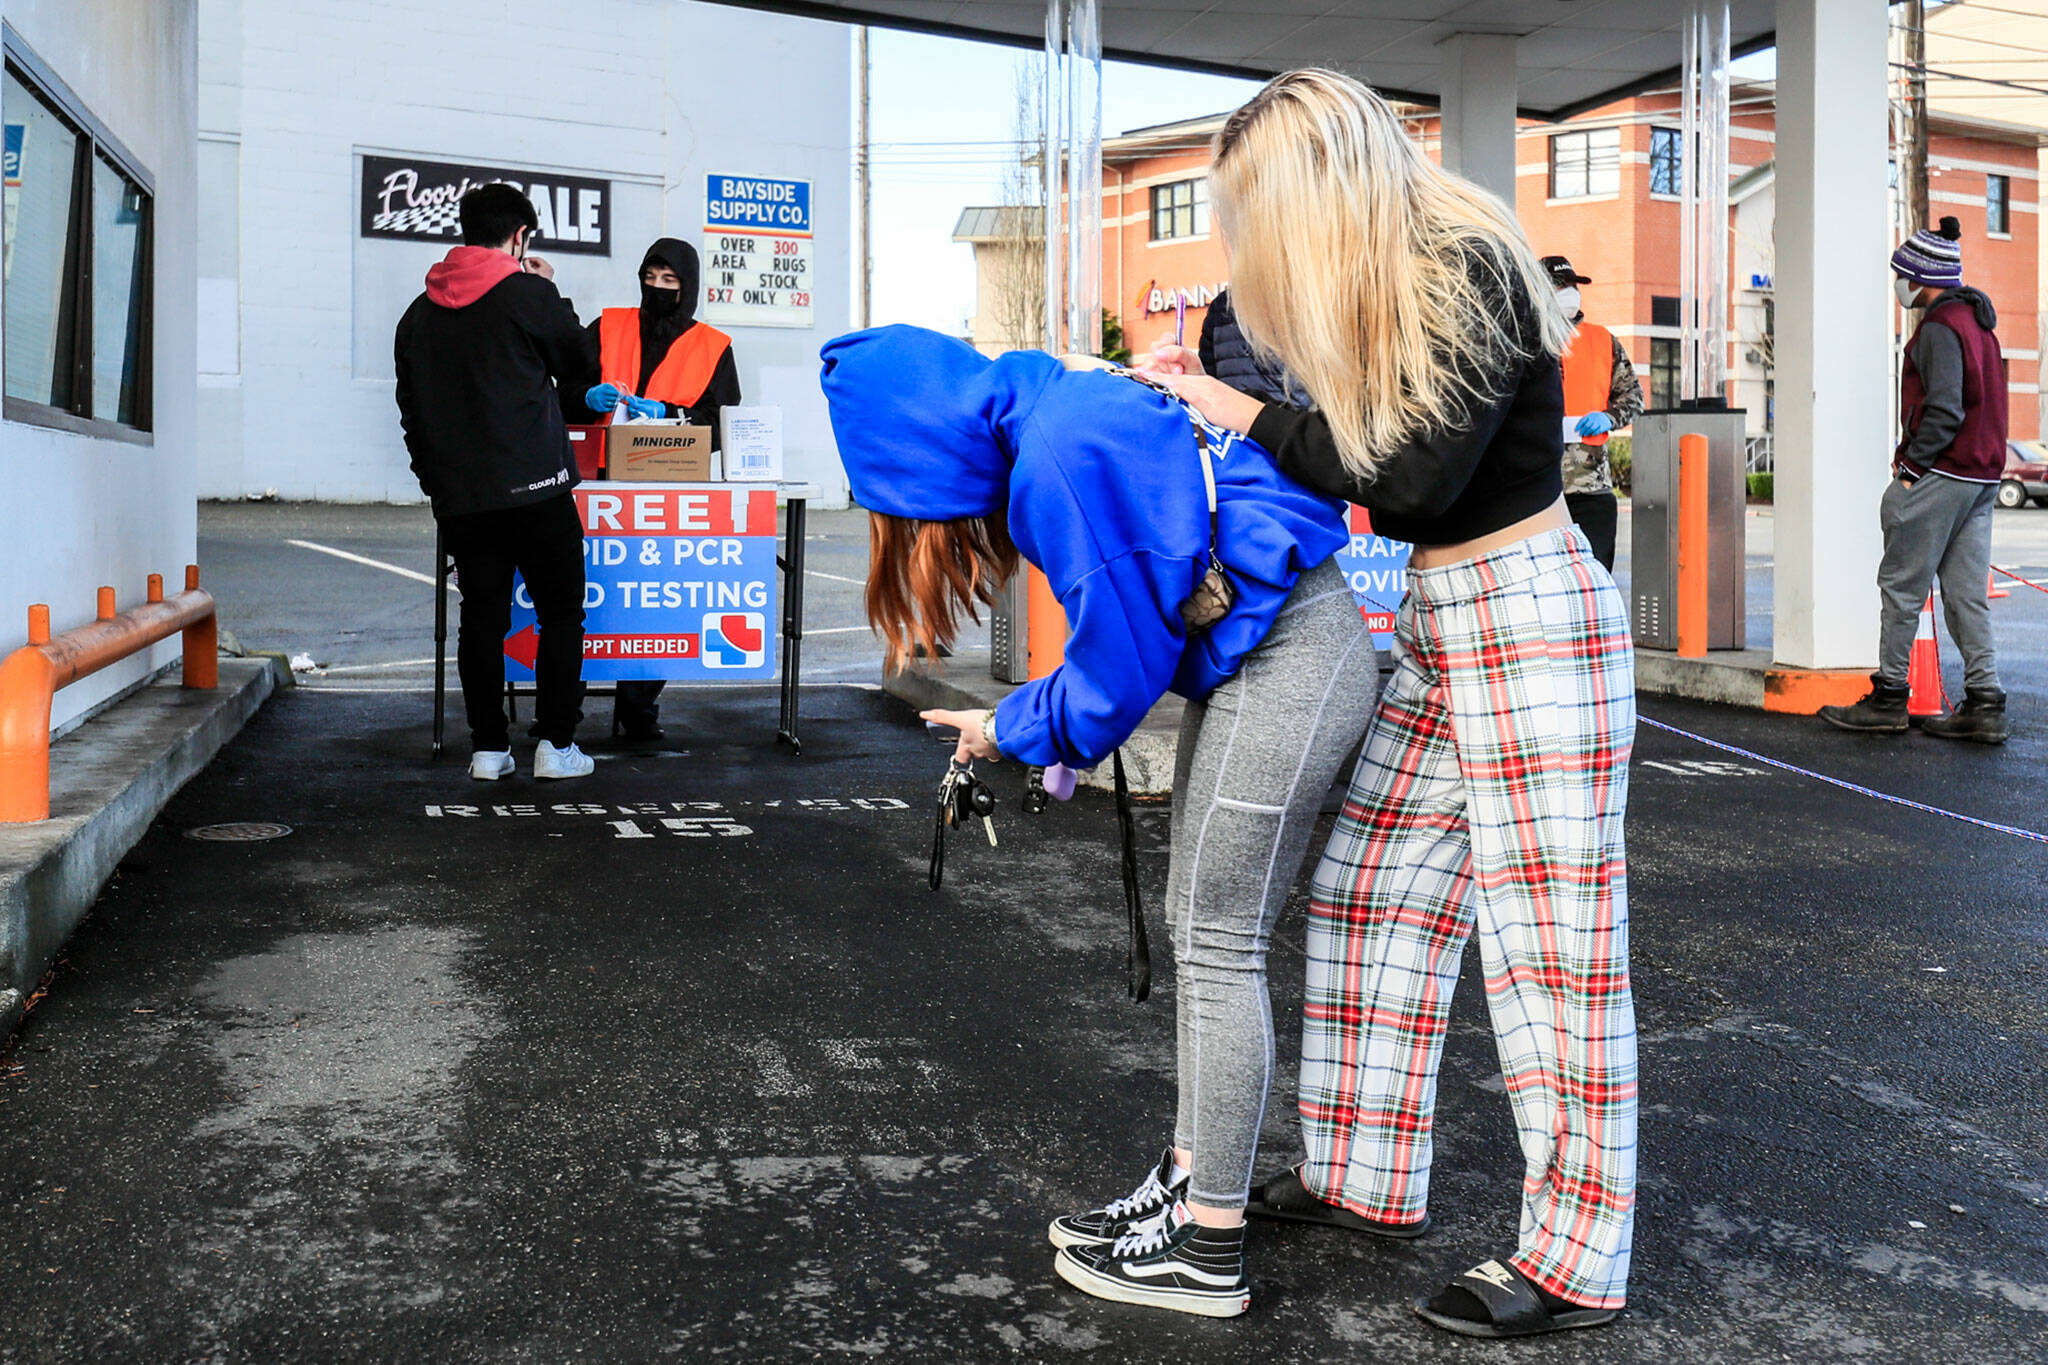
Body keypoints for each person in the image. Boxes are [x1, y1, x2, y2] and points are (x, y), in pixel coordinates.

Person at [1144, 69, 1637, 1339]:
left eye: (1260, 204)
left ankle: (1575, 1262)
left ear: (1320, 176)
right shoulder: (1384, 271)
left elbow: (1411, 481)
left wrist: (1244, 415)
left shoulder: (1465, 256)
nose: (1255, 235)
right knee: (1369, 891)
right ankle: (1365, 1182)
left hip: (1527, 615)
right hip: (1439, 616)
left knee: (1553, 956)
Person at [819, 323, 1378, 1319]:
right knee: (1202, 930)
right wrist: (1023, 722)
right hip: (1274, 649)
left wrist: (1001, 728)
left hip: (1288, 658)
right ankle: (1190, 1179)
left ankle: (1206, 1246)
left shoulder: (1058, 454)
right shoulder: (1055, 409)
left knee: (1216, 941)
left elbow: (1113, 679)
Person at [394, 182, 595, 781]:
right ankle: (556, 748)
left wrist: (437, 484)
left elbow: (411, 411)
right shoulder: (529, 294)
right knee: (560, 614)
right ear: (519, 236)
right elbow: (582, 369)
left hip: (463, 498)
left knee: (482, 617)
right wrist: (549, 288)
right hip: (538, 489)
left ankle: (488, 749)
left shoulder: (418, 313)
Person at [1819, 217, 2008, 743]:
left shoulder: (1940, 328)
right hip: (1983, 475)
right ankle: (1984, 703)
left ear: (1921, 277)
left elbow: (1944, 408)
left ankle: (1889, 699)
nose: (1898, 286)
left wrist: (1908, 472)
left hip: (1942, 472)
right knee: (1967, 594)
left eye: (1901, 275)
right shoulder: (1980, 324)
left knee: (1901, 587)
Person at [575, 239, 741, 741]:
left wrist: (671, 414)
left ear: (687, 287)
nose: (657, 289)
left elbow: (723, 419)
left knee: (654, 601)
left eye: (669, 282)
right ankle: (564, 709)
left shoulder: (713, 345)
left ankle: (639, 709)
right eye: (650, 278)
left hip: (669, 487)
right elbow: (562, 386)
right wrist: (585, 395)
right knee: (587, 594)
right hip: (599, 482)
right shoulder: (607, 325)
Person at [1544, 254, 1642, 570]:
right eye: (1561, 286)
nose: (1570, 292)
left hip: (1590, 487)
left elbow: (1633, 398)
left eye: (1573, 285)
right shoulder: (1525, 342)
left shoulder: (1602, 341)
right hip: (1536, 491)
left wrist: (1608, 417)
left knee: (1594, 577)